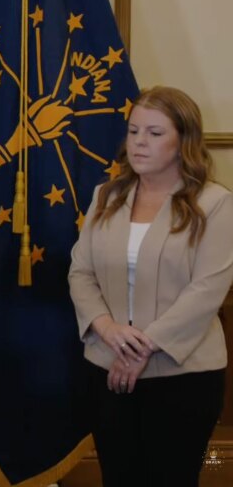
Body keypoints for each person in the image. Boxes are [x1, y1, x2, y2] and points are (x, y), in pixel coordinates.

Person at [69, 86, 232, 486]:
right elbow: (80, 272)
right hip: (107, 368)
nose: (139, 142)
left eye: (155, 133)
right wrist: (109, 331)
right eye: (134, 131)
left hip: (184, 376)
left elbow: (206, 291)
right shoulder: (106, 196)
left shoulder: (215, 203)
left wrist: (142, 347)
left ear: (183, 141)